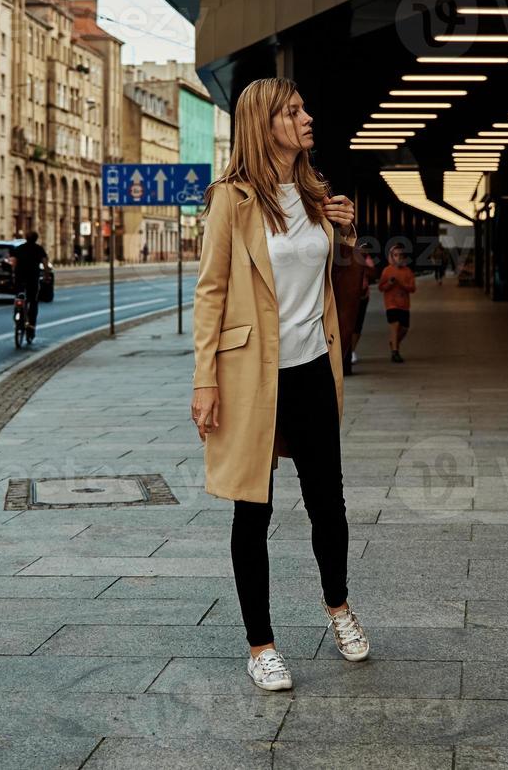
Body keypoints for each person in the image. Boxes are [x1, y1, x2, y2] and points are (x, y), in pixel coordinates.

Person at [189, 77, 367, 693]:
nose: (306, 116)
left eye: (303, 106)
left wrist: (345, 237)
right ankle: (260, 644)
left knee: (329, 502)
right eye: (293, 111)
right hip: (249, 376)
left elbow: (336, 287)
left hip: (313, 367)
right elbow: (211, 292)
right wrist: (204, 380)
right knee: (252, 509)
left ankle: (338, 608)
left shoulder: (317, 195)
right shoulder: (231, 202)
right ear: (265, 124)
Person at [379, 242, 416, 363]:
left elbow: (412, 288)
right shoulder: (387, 271)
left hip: (404, 305)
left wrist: (402, 284)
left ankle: (394, 343)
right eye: (395, 255)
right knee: (394, 326)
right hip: (391, 304)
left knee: (404, 328)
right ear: (391, 257)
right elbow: (381, 287)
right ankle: (395, 352)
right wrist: (389, 283)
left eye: (400, 255)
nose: (398, 258)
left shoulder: (408, 271)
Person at [12, 230, 48, 338]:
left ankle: (17, 315)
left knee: (19, 297)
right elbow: (45, 263)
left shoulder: (19, 248)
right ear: (36, 239)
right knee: (33, 301)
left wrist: (14, 274)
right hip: (32, 279)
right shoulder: (39, 249)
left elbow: (13, 263)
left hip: (20, 278)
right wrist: (46, 275)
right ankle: (31, 326)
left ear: (26, 238)